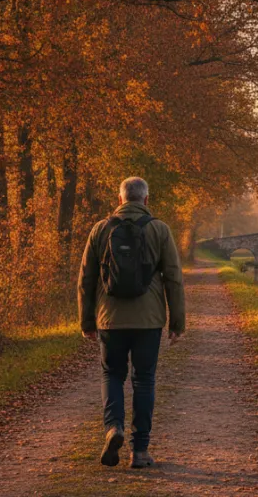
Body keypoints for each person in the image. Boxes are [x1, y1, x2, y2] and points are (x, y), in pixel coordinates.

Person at [78, 177, 185, 468]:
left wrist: (86, 320)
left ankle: (114, 428)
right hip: (148, 320)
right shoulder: (159, 229)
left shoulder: (100, 229)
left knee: (112, 375)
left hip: (109, 319)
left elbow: (86, 279)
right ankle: (139, 451)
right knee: (144, 380)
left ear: (121, 198)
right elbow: (173, 278)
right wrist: (177, 323)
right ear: (146, 200)